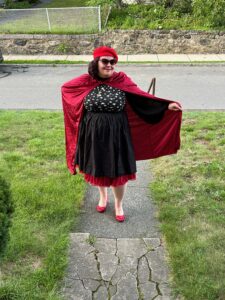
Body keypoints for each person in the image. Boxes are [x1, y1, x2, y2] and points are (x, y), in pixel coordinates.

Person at [61, 46, 182, 223]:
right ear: (96, 62)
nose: (109, 65)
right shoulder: (85, 81)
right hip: (93, 132)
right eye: (105, 61)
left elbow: (140, 98)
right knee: (98, 166)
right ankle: (103, 197)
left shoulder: (121, 79)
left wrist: (165, 106)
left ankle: (118, 204)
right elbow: (67, 89)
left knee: (119, 170)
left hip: (118, 132)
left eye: (112, 62)